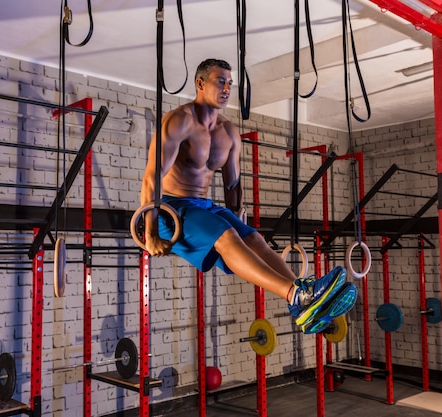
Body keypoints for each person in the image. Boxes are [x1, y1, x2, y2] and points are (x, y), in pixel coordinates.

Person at [140, 58, 357, 334]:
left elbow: (232, 184)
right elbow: (152, 177)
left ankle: (302, 302)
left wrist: (236, 213)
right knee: (227, 237)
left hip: (204, 207)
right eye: (221, 81)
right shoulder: (179, 121)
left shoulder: (228, 132)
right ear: (200, 83)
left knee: (254, 238)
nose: (227, 88)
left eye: (230, 83)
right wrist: (149, 235)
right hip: (171, 209)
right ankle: (297, 296)